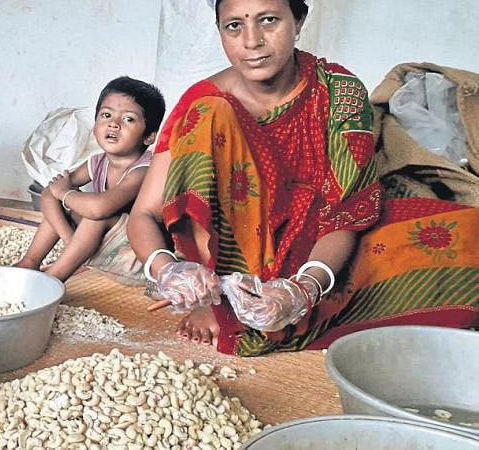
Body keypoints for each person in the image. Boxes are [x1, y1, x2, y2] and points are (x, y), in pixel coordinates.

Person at [128, 0, 478, 356]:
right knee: (211, 113)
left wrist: (306, 287)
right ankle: (219, 305)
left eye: (268, 21)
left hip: (321, 245)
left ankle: (294, 303)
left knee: (467, 235)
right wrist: (168, 270)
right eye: (234, 26)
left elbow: (347, 213)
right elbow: (145, 214)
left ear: (299, 20)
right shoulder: (201, 102)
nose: (252, 41)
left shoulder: (339, 91)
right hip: (230, 263)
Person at [15, 76, 166, 282]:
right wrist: (70, 239)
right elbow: (49, 194)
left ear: (149, 137)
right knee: (65, 203)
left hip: (139, 259)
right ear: (95, 127)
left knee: (93, 214)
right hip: (103, 249)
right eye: (106, 115)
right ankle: (30, 262)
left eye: (128, 119)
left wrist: (65, 193)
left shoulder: (145, 169)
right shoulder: (96, 162)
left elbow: (99, 209)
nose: (114, 124)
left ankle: (53, 279)